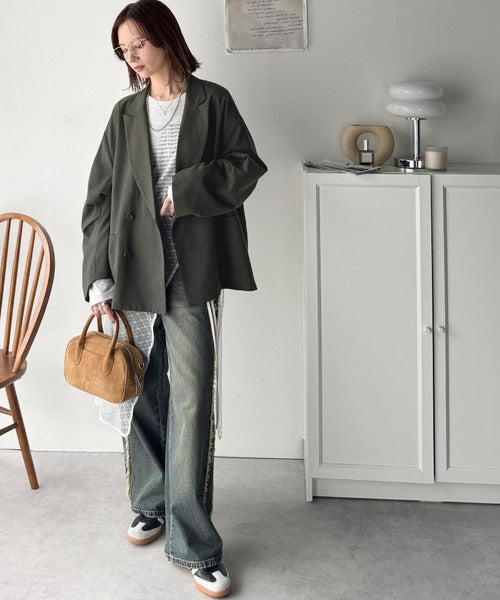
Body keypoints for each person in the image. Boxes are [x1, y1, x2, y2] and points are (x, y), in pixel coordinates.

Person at [81, 0, 267, 596]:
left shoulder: (213, 102)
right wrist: (98, 279)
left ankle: (195, 544)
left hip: (190, 267)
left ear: (165, 37)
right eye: (123, 49)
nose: (131, 56)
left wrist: (185, 191)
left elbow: (246, 165)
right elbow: (100, 199)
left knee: (190, 397)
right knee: (138, 388)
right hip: (132, 269)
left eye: (138, 43)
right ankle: (150, 501)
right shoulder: (124, 113)